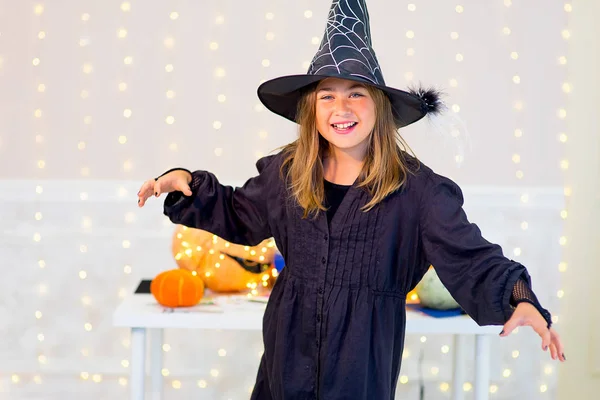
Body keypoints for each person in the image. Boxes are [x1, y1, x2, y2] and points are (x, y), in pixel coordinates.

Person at [138, 1, 565, 398]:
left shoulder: (419, 193)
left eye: (355, 93)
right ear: (311, 109)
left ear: (379, 106)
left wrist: (520, 296)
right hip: (286, 362)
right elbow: (237, 213)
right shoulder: (287, 174)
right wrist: (186, 184)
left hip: (361, 366)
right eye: (327, 95)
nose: (341, 107)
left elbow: (472, 257)